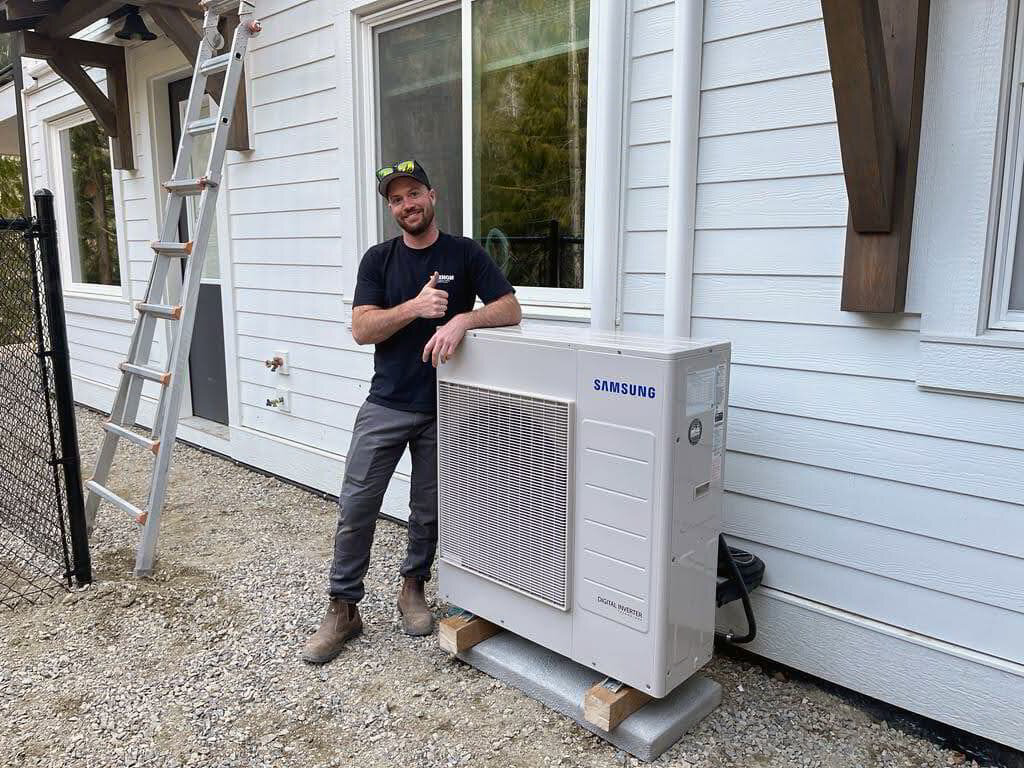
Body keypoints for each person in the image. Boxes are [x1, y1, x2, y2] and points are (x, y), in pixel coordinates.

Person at [302, 159, 522, 664]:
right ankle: (343, 607)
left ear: (432, 194)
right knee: (357, 504)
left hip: (444, 406)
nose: (407, 205)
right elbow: (362, 329)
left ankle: (413, 588)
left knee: (427, 509)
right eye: (397, 199)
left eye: (414, 194)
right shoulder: (378, 260)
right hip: (386, 403)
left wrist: (464, 319)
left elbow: (510, 308)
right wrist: (414, 309)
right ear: (391, 208)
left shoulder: (464, 253)